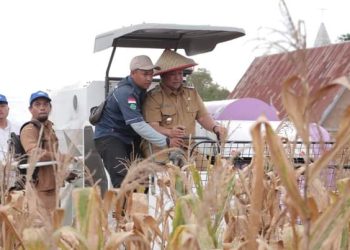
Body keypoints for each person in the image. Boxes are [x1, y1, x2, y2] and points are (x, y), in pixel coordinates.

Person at [94, 55, 181, 189]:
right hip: (110, 137)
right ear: (133, 73)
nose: (149, 78)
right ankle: (123, 210)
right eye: (145, 74)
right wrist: (167, 141)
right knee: (124, 181)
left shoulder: (141, 91)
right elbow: (139, 125)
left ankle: (138, 209)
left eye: (151, 74)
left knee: (143, 178)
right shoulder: (126, 92)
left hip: (128, 138)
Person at [142, 49, 227, 166]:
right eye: (173, 74)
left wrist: (215, 127)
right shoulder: (153, 97)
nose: (177, 78)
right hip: (161, 147)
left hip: (189, 147)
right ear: (163, 75)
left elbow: (203, 117)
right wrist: (170, 133)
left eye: (180, 74)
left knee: (207, 174)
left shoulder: (191, 93)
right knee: (165, 177)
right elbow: (152, 126)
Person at [20, 90, 71, 212]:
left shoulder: (49, 128)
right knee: (42, 228)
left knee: (54, 226)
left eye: (45, 104)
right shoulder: (29, 129)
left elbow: (52, 160)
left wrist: (65, 173)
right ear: (30, 109)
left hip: (53, 186)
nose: (42, 108)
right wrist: (62, 157)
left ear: (50, 107)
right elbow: (34, 152)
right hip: (39, 188)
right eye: (37, 104)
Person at [0, 94, 20, 163]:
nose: (0, 109)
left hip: (16, 171)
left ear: (8, 109)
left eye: (2, 106)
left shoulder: (18, 128)